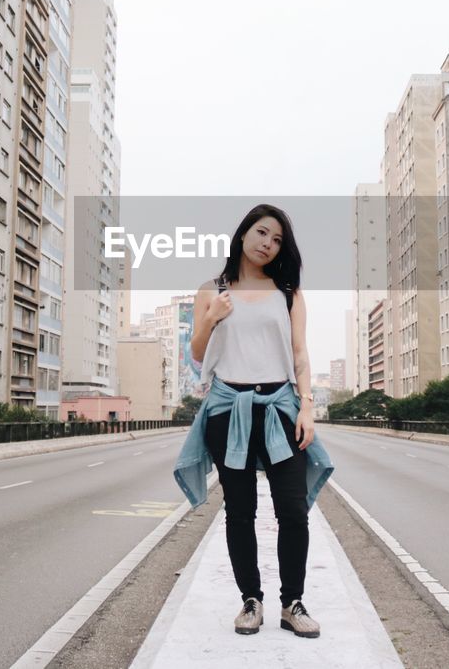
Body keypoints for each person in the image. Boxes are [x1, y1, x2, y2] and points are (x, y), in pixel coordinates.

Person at [172, 203, 334, 638]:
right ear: (244, 234)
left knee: (293, 511)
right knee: (239, 512)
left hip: (280, 408)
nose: (268, 243)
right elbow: (198, 353)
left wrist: (307, 406)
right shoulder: (213, 289)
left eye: (277, 239)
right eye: (262, 233)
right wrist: (210, 316)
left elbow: (300, 354)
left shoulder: (288, 292)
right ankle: (251, 601)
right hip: (228, 410)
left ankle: (292, 603)